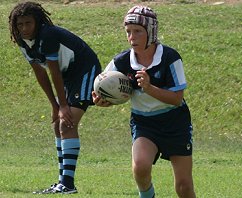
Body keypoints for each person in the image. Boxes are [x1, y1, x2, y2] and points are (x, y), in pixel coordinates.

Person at [92, 5, 196, 198]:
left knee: (183, 187)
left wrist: (149, 88)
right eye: (128, 32)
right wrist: (102, 99)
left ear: (151, 32)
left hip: (175, 123)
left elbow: (176, 99)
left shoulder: (170, 58)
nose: (132, 37)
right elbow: (105, 87)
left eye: (138, 31)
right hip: (144, 123)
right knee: (140, 167)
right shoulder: (121, 62)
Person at [9, 1, 101, 194]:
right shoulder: (21, 39)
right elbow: (40, 73)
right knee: (57, 125)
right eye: (20, 24)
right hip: (67, 75)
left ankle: (67, 184)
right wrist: (54, 105)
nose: (24, 28)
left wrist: (64, 105)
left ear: (38, 22)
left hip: (84, 70)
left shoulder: (47, 35)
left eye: (28, 23)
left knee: (66, 123)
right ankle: (62, 182)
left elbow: (54, 72)